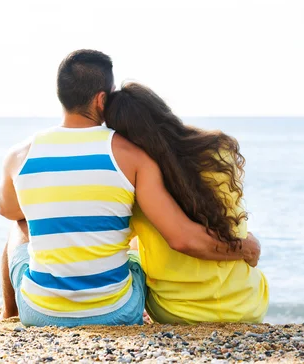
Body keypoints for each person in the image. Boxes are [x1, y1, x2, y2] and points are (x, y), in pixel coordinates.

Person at [0, 50, 261, 327]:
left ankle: (9, 315)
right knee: (131, 247)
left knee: (17, 226)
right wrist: (242, 248)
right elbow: (181, 237)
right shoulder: (133, 156)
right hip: (116, 312)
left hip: (40, 313)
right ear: (102, 99)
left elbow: (9, 210)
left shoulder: (18, 156)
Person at [104, 82, 269, 324]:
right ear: (163, 111)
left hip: (178, 313)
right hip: (246, 305)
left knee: (132, 250)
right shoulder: (218, 150)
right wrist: (245, 246)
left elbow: (179, 239)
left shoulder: (135, 180)